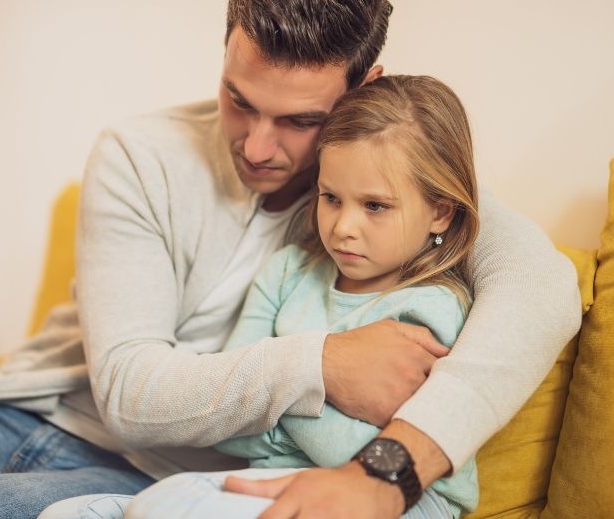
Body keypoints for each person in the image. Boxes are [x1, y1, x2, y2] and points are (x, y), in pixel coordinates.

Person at [0, 0, 580, 519]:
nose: (259, 147)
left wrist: (386, 471)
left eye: (300, 120)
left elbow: (543, 287)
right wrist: (322, 362)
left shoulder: (383, 188)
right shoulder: (139, 153)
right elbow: (130, 393)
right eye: (239, 100)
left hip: (165, 478)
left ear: (365, 87)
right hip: (20, 410)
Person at [120, 74, 482, 519]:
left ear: (441, 212)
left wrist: (273, 405)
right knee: (123, 507)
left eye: (374, 206)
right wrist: (307, 394)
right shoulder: (288, 273)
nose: (343, 226)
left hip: (399, 501)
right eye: (331, 197)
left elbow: (359, 455)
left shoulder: (432, 307)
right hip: (272, 483)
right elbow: (228, 427)